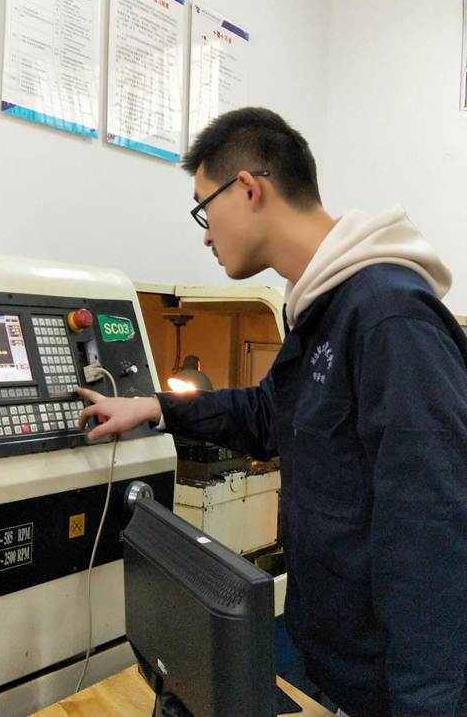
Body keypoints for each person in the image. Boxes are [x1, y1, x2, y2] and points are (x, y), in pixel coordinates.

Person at [77, 107, 467, 717]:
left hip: (390, 685)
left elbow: (433, 530)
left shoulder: (388, 315)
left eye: (204, 209)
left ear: (248, 189)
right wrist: (154, 406)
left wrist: (426, 703)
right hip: (327, 656)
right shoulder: (318, 304)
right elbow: (271, 413)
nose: (206, 235)